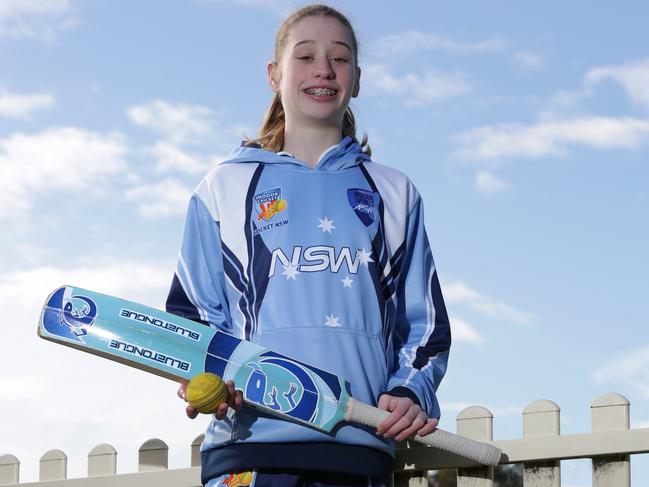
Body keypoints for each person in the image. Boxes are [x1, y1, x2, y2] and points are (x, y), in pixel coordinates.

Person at [166, 4, 451, 486]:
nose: (323, 69)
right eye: (305, 57)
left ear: (356, 79)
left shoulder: (395, 192)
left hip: (357, 453)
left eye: (339, 59)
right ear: (274, 74)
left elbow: (423, 326)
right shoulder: (223, 187)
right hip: (248, 450)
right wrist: (211, 374)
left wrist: (410, 389)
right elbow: (192, 317)